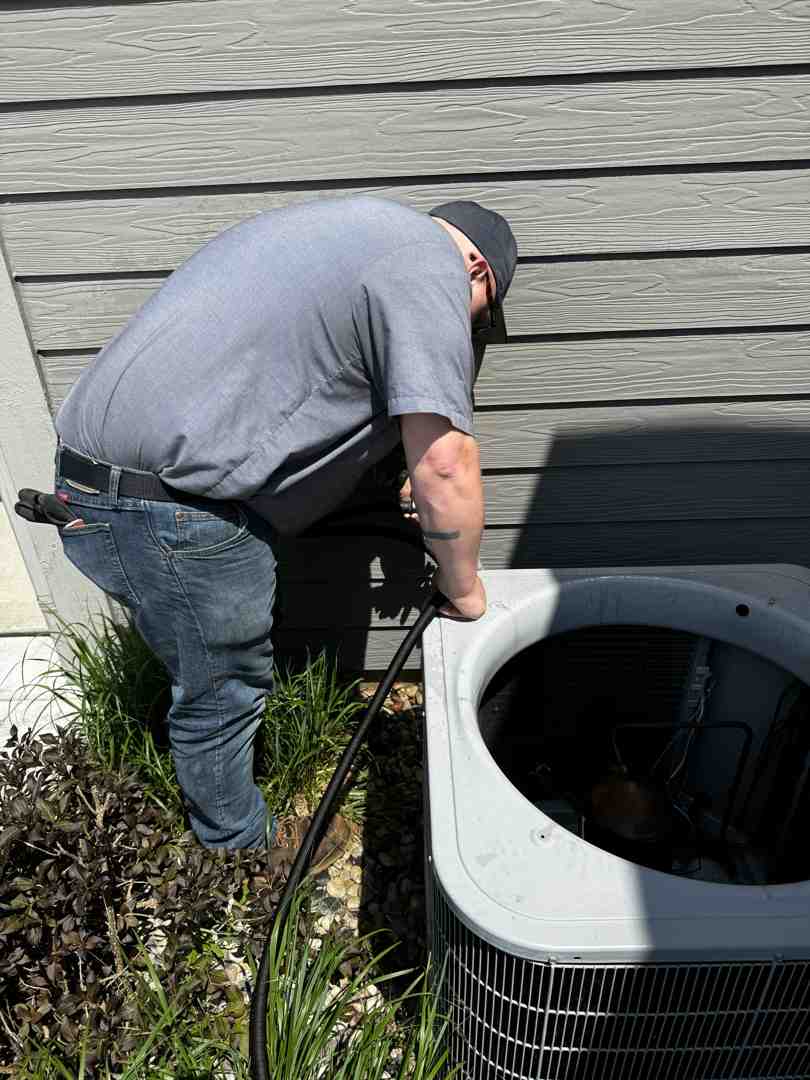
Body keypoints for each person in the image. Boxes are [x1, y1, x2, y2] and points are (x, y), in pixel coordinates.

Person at [50, 195, 518, 861]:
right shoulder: (429, 267)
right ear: (477, 272)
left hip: (97, 479)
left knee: (210, 671)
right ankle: (239, 858)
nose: (467, 335)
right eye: (479, 318)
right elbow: (447, 463)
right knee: (222, 690)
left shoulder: (358, 234)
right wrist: (464, 589)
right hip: (166, 510)